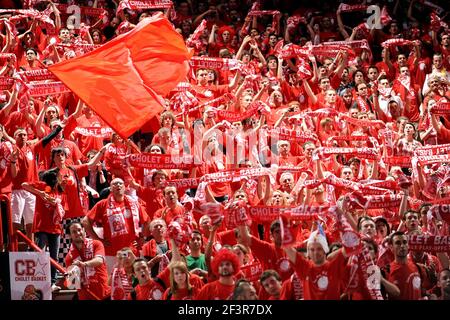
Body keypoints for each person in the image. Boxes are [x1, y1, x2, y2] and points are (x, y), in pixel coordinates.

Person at [82, 178, 151, 273]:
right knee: (113, 282)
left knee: (132, 281)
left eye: (120, 183)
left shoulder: (134, 203)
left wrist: (142, 238)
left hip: (131, 250)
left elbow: (147, 221)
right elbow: (85, 221)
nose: (118, 185)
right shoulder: (103, 204)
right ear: (110, 188)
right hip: (111, 252)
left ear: (125, 188)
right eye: (115, 184)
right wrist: (98, 240)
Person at [65, 222, 110, 300]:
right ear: (70, 236)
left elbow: (99, 260)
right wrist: (72, 276)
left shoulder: (96, 244)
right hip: (85, 296)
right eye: (74, 232)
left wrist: (84, 264)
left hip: (103, 294)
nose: (78, 233)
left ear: (84, 230)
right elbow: (72, 285)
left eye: (79, 230)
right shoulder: (69, 257)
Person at [386, 231, 422, 300]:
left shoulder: (418, 267)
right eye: (398, 243)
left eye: (405, 242)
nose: (402, 246)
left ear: (408, 245)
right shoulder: (386, 271)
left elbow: (423, 291)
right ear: (391, 247)